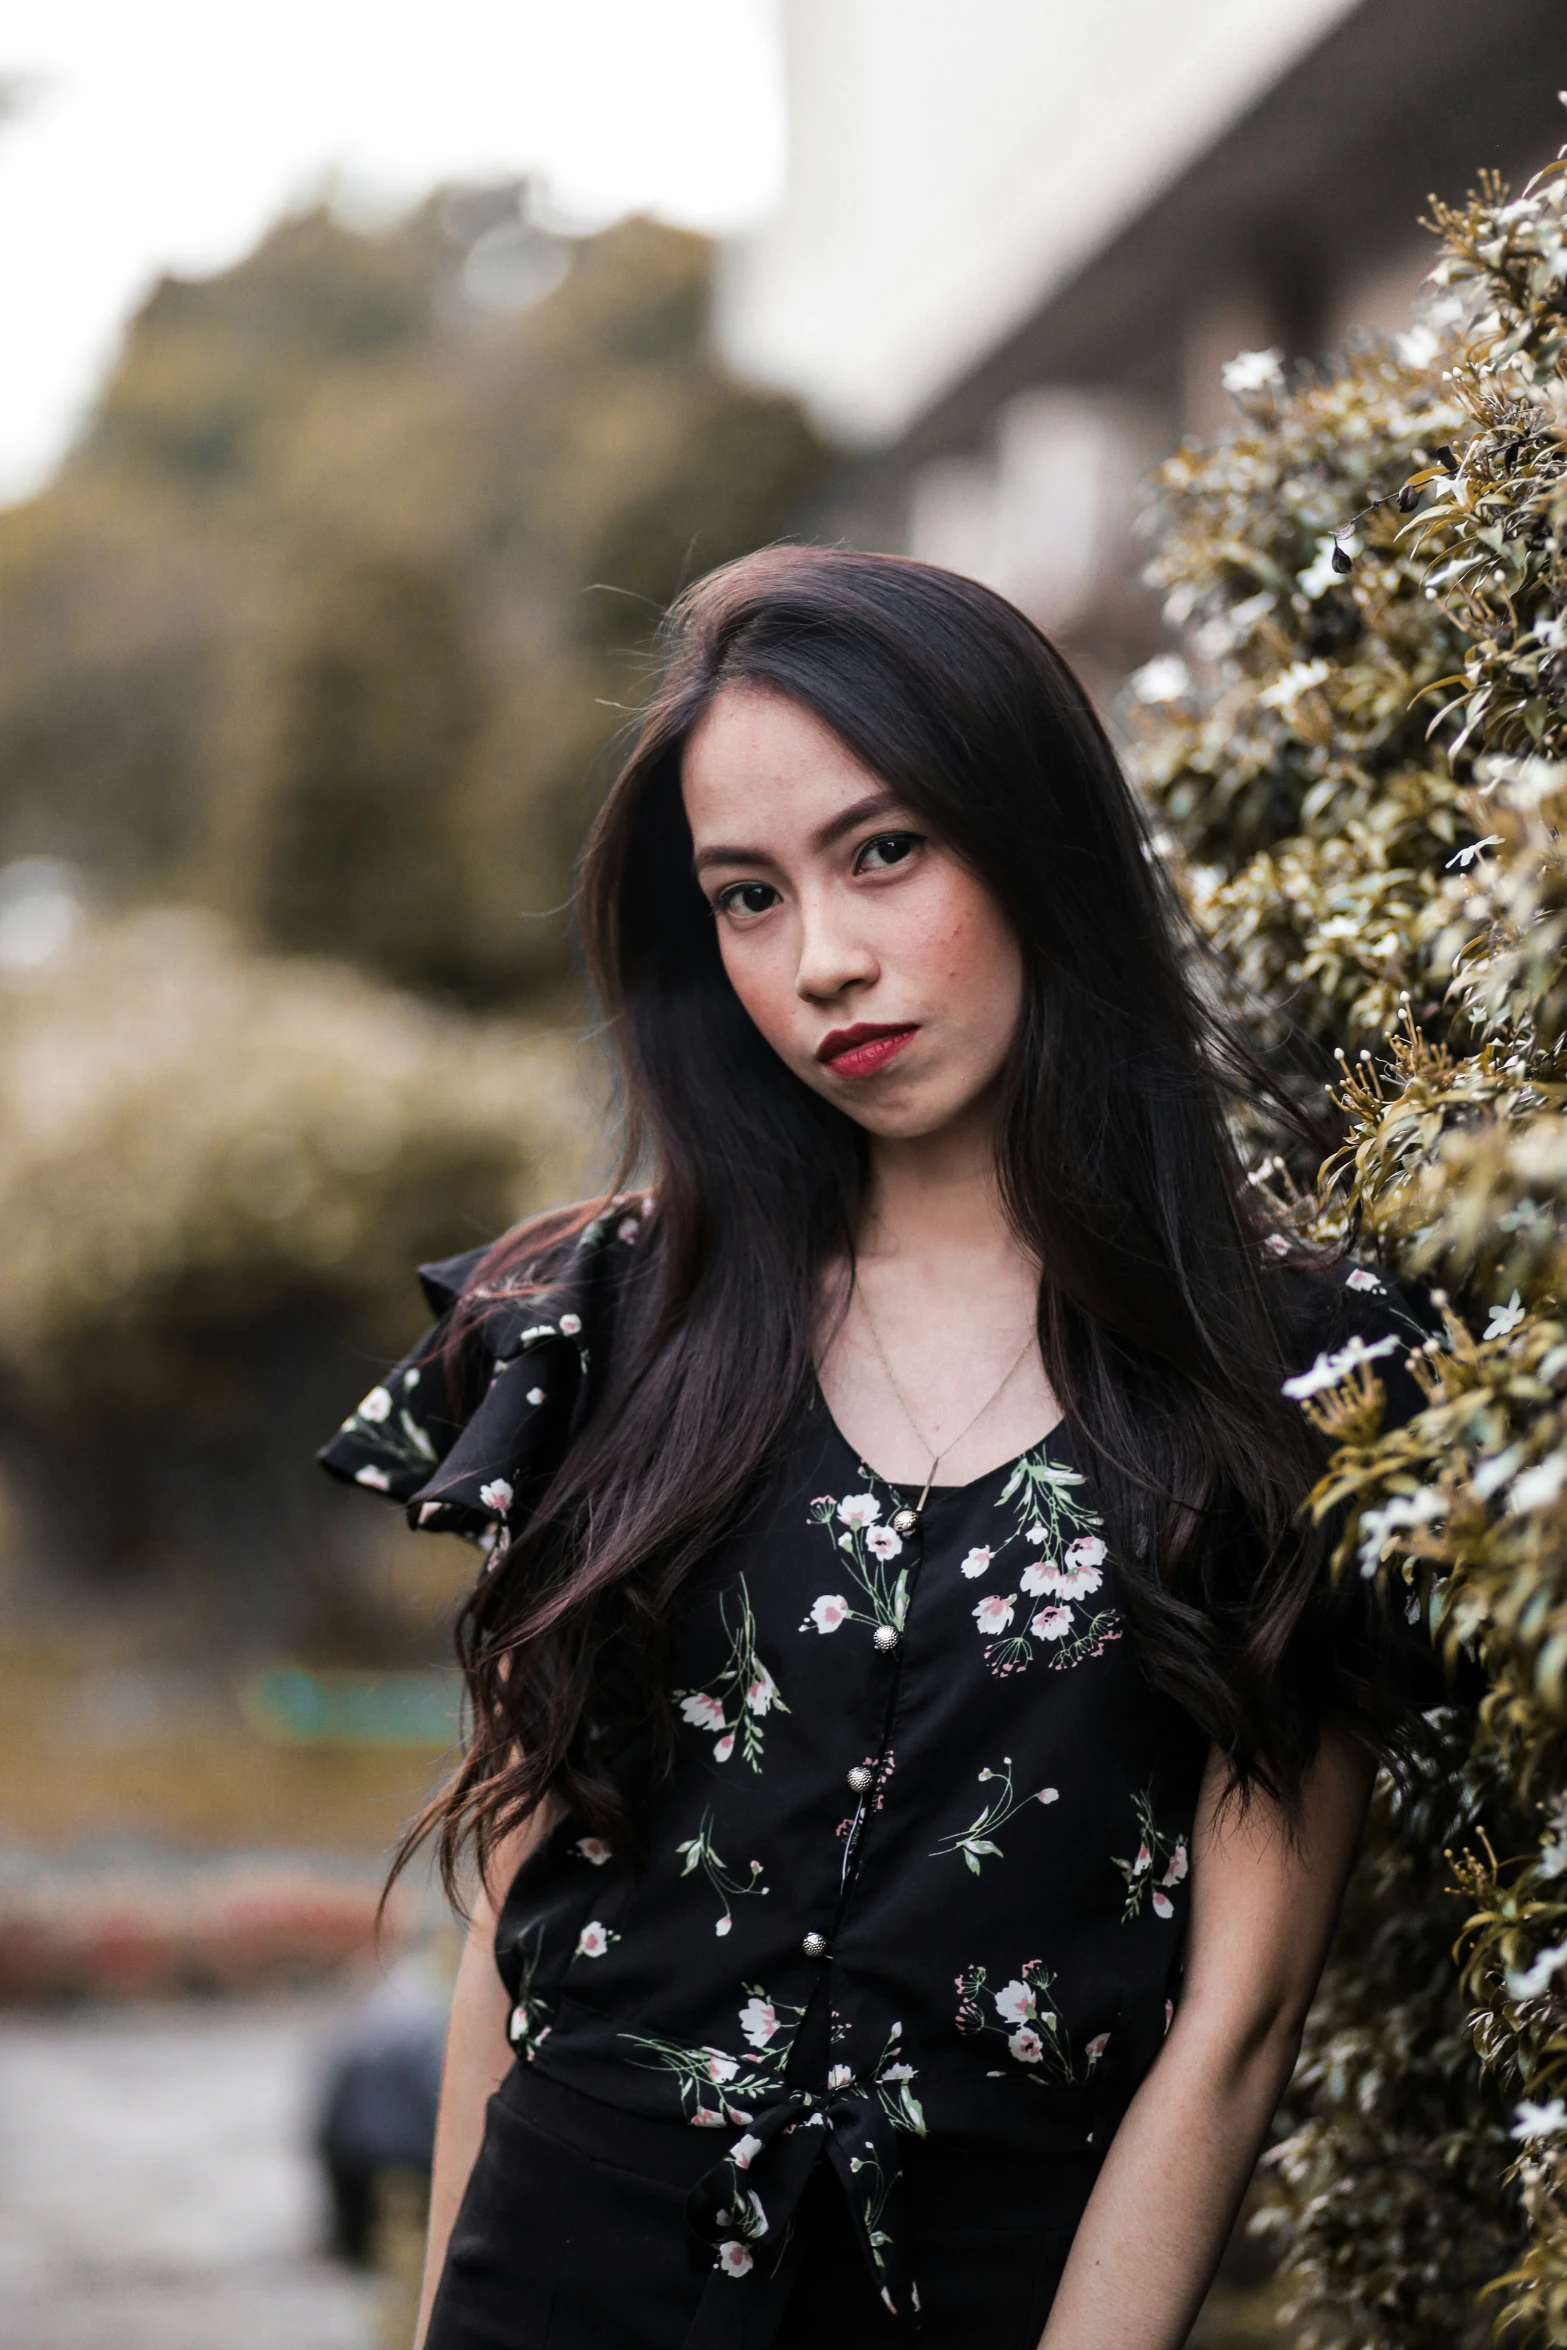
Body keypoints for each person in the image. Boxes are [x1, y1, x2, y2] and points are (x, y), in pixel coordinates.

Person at [322, 545, 1443, 2350]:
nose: (821, 960)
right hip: (564, 2267)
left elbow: (1239, 2024)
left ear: (1033, 841)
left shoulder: (1282, 1365)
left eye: (884, 851)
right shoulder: (604, 1322)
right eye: (746, 897)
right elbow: (505, 1937)